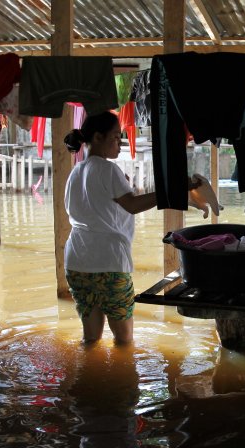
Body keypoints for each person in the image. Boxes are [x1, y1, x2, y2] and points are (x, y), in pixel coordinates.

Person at [62, 111, 194, 344]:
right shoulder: (108, 169)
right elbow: (132, 205)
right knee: (124, 341)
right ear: (98, 137)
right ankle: (121, 380)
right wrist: (172, 192)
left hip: (76, 262)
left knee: (90, 339)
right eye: (115, 137)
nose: (120, 143)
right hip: (109, 262)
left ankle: (87, 379)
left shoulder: (75, 172)